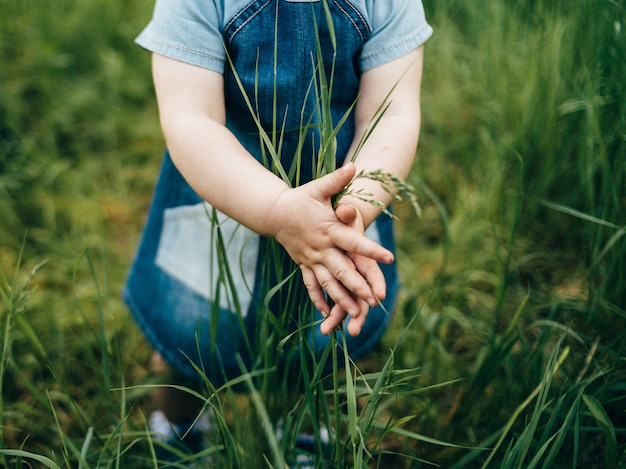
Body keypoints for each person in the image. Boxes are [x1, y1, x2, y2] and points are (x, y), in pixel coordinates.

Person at [123, 0, 432, 461]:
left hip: (334, 211)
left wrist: (353, 212)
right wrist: (276, 207)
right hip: (220, 200)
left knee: (315, 339)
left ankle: (300, 430)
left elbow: (390, 115)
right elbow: (191, 119)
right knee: (186, 334)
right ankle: (178, 428)